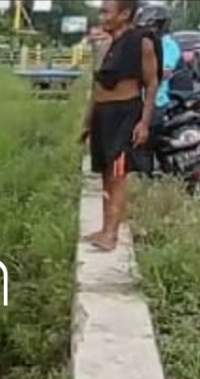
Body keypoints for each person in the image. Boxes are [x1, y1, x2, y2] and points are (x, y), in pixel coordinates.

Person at [79, 0, 159, 252]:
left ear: (125, 14)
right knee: (105, 173)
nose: (101, 17)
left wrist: (144, 123)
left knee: (118, 174)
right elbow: (98, 87)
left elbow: (152, 83)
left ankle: (111, 234)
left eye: (106, 12)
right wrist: (88, 121)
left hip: (125, 115)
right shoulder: (107, 43)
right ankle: (105, 228)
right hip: (103, 116)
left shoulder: (141, 42)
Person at [135, 3, 184, 137]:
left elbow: (163, 73)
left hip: (156, 101)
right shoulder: (140, 42)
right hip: (136, 101)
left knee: (144, 148)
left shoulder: (169, 45)